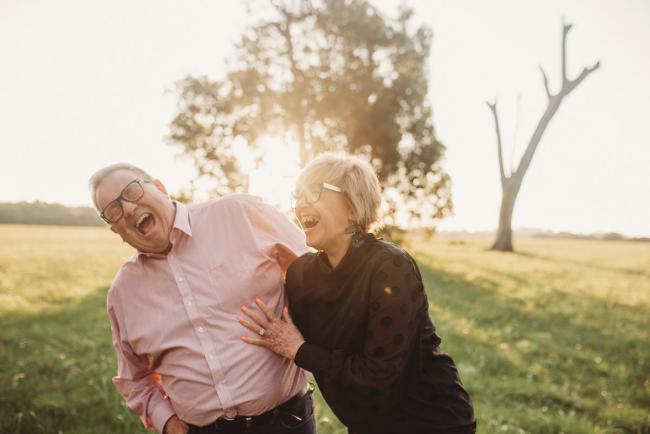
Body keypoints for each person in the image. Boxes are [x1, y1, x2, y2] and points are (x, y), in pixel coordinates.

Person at [239, 153, 476, 434]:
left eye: (313, 192)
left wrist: (300, 351)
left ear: (353, 206)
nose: (301, 203)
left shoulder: (390, 266)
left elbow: (379, 378)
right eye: (297, 195)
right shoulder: (302, 275)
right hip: (366, 424)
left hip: (431, 420)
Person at [89, 163, 316, 434]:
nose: (127, 208)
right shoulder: (123, 293)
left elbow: (321, 279)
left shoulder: (241, 213)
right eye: (113, 209)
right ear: (115, 231)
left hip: (285, 422)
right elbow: (134, 379)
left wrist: (302, 342)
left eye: (132, 191)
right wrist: (167, 421)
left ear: (161, 188)